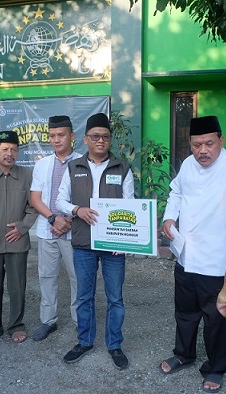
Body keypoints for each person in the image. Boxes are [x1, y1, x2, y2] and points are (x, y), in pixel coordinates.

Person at [159, 115, 226, 393]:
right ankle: (184, 354)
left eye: (208, 143)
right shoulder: (187, 165)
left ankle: (215, 368)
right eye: (195, 145)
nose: (202, 151)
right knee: (185, 312)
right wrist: (169, 219)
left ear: (221, 141)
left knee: (216, 317)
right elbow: (176, 193)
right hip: (186, 254)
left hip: (216, 261)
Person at [56, 112, 134, 370]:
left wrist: (123, 241)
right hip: (83, 243)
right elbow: (59, 201)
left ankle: (114, 344)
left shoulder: (122, 168)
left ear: (110, 140)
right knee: (84, 296)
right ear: (86, 139)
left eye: (105, 136)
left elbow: (130, 206)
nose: (101, 140)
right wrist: (78, 210)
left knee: (115, 298)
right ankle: (85, 341)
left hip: (114, 246)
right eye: (95, 136)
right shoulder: (73, 166)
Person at [0, 131, 37, 344]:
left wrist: (22, 227)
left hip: (17, 241)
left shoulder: (27, 175)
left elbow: (34, 206)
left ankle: (16, 325)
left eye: (13, 149)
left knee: (17, 286)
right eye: (4, 149)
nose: (9, 153)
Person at [30, 115, 81, 341]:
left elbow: (87, 198)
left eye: (61, 135)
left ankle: (81, 320)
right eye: (52, 136)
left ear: (72, 136)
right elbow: (36, 198)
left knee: (77, 277)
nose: (56, 140)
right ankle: (48, 321)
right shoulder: (42, 164)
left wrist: (68, 220)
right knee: (47, 276)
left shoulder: (83, 161)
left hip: (75, 230)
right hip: (48, 229)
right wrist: (53, 219)